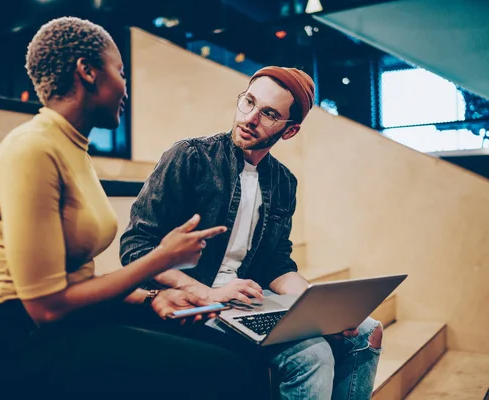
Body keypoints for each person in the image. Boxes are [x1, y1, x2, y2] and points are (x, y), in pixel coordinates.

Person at [0, 16, 269, 400]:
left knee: (240, 352)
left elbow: (77, 279)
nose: (126, 86)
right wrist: (160, 259)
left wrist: (154, 298)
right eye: (120, 71)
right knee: (226, 373)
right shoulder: (31, 150)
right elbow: (46, 307)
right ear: (87, 72)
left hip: (71, 322)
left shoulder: (73, 148)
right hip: (17, 344)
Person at [120, 66, 383, 399]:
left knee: (367, 332)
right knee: (313, 354)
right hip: (196, 298)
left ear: (289, 131)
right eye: (249, 102)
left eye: (269, 113)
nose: (250, 117)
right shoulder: (190, 157)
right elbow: (135, 248)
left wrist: (320, 306)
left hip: (242, 300)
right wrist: (206, 292)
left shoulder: (283, 182)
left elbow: (276, 264)